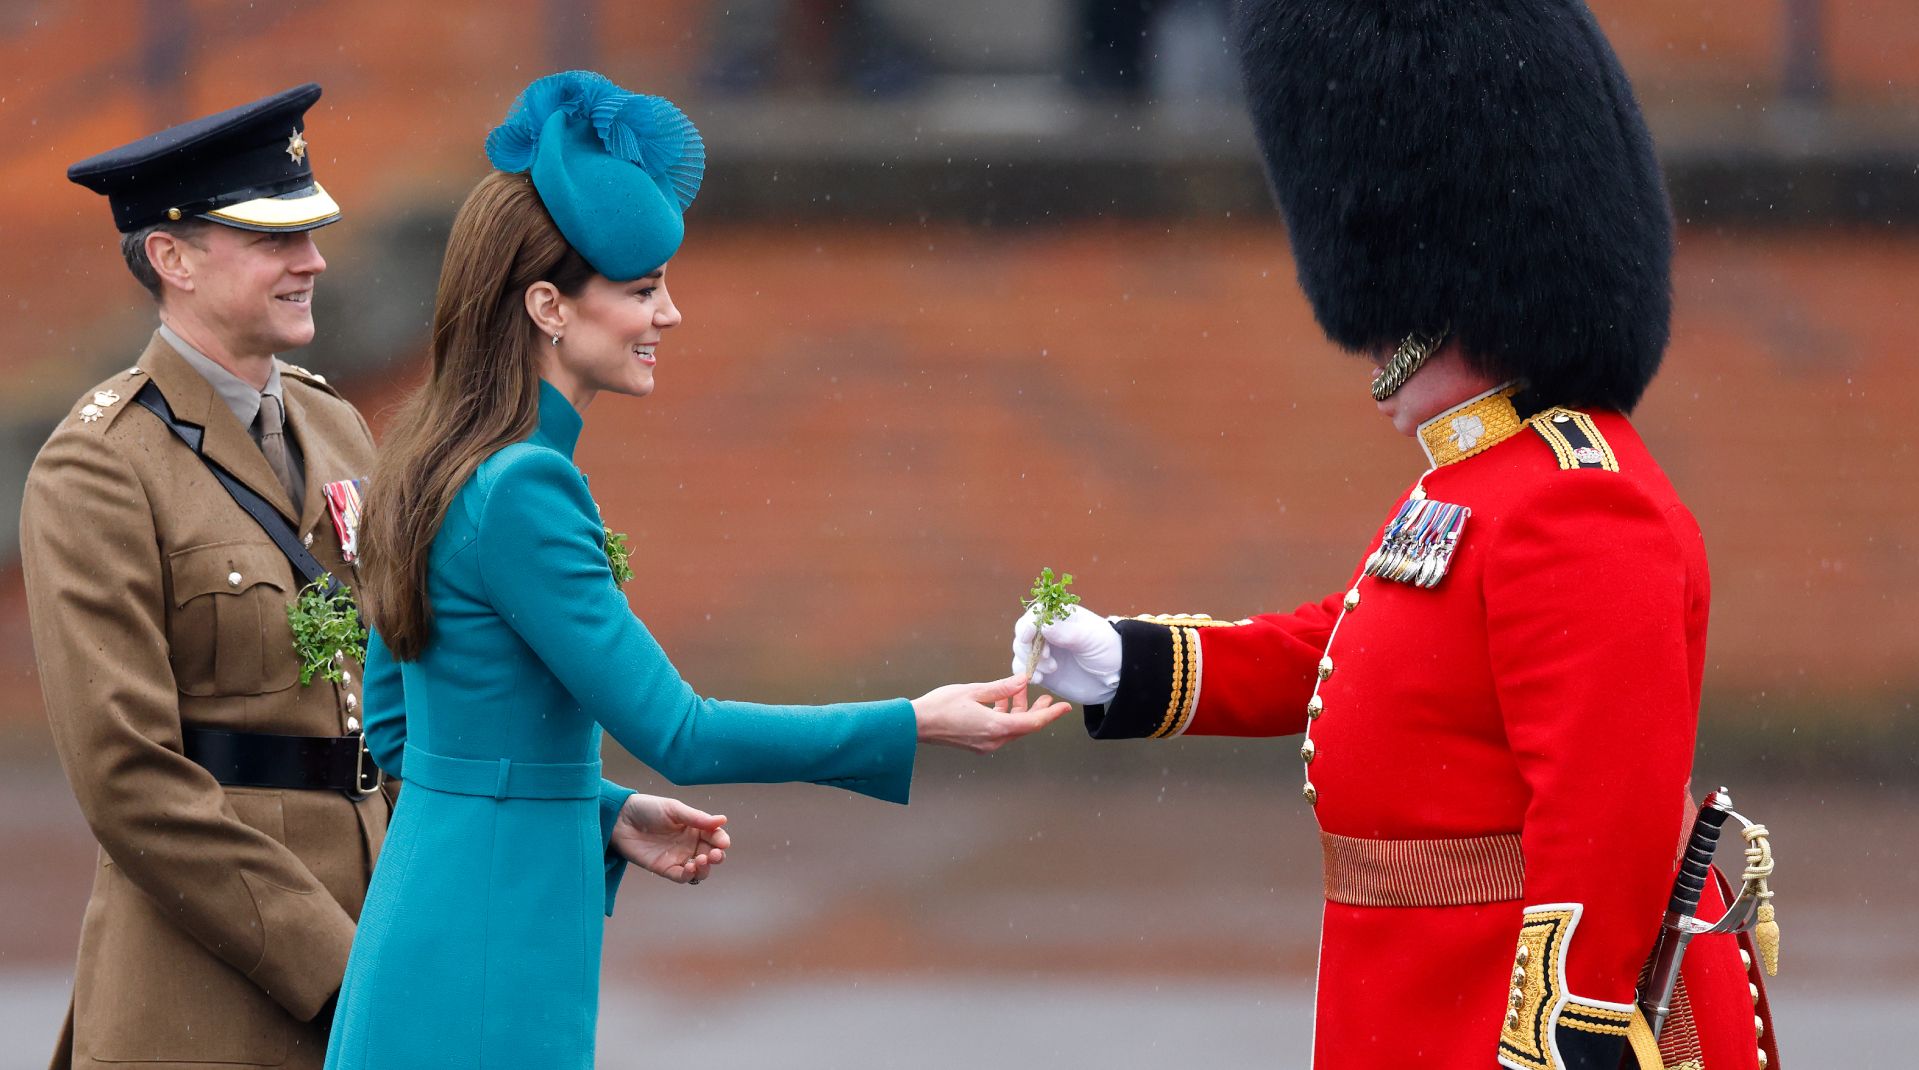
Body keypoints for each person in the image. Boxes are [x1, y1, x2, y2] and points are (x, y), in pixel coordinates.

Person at [1013, 2, 1777, 1069]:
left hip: (1495, 1013)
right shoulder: (1475, 486)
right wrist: (1139, 663)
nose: (1371, 354)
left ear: (1461, 294)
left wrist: (1567, 1028)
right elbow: (1352, 647)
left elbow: (1603, 815)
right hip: (1408, 998)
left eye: (1391, 322)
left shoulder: (1574, 499)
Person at [322, 71, 1068, 1069]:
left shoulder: (426, 455)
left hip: (430, 924)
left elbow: (412, 735)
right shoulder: (524, 489)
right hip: (498, 949)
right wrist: (915, 720)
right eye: (639, 290)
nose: (667, 314)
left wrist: (604, 810)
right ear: (546, 305)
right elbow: (679, 728)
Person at [24, 84, 741, 1070]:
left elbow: (403, 714)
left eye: (311, 232)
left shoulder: (338, 427)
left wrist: (600, 812)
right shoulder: (100, 466)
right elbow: (129, 780)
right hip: (206, 1002)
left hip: (388, 952)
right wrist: (339, 963)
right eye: (273, 239)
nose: (312, 259)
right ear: (169, 257)